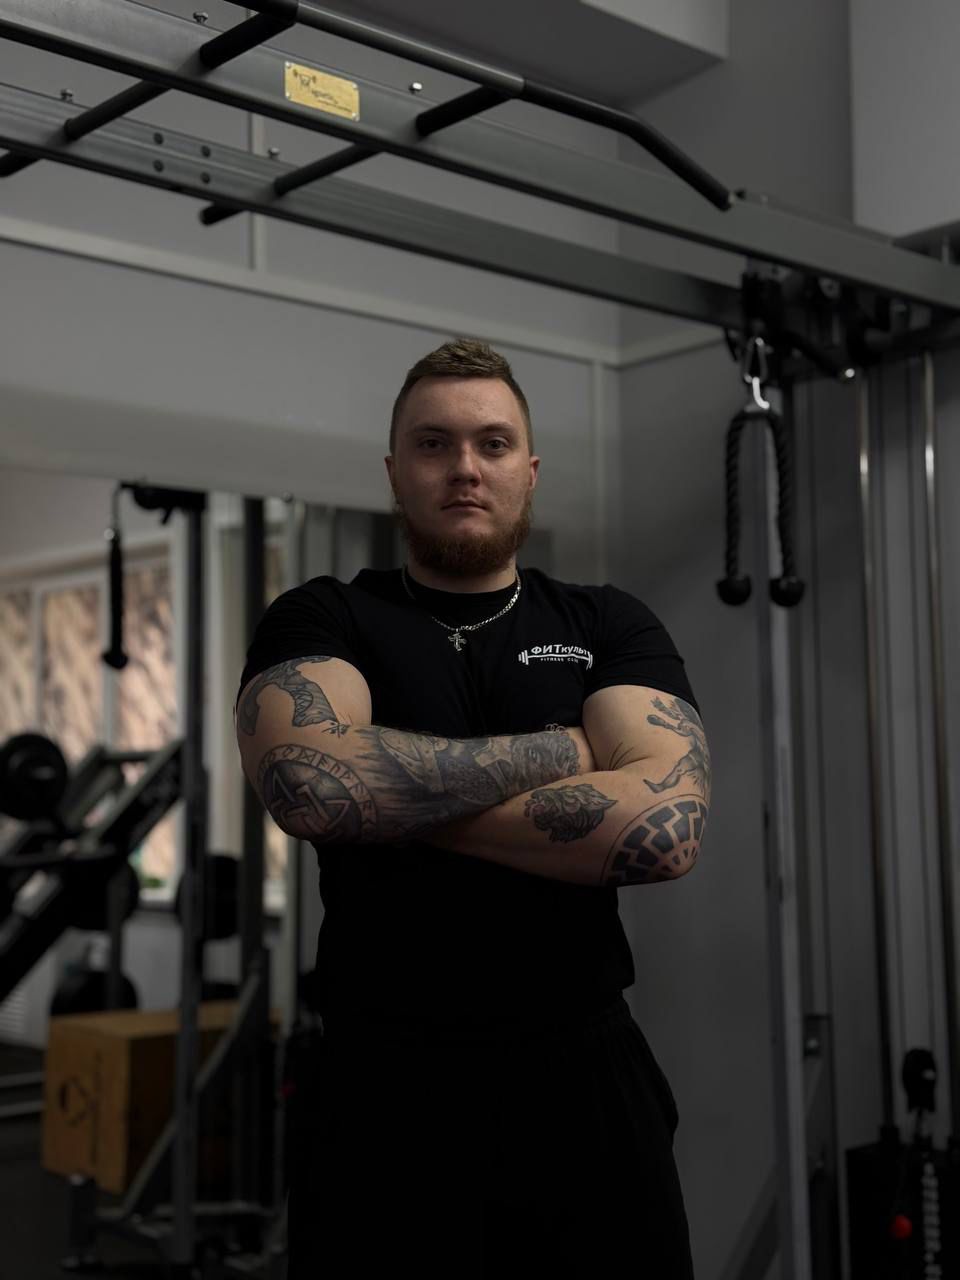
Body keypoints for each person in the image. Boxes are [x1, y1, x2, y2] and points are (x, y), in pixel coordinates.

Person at [235, 338, 707, 1278]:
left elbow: (666, 830)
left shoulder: (607, 622)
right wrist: (571, 753)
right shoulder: (325, 616)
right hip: (385, 1087)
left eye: (493, 444)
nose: (464, 468)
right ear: (394, 473)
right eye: (433, 444)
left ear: (529, 471)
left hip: (584, 1077)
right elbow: (309, 785)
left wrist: (386, 797)